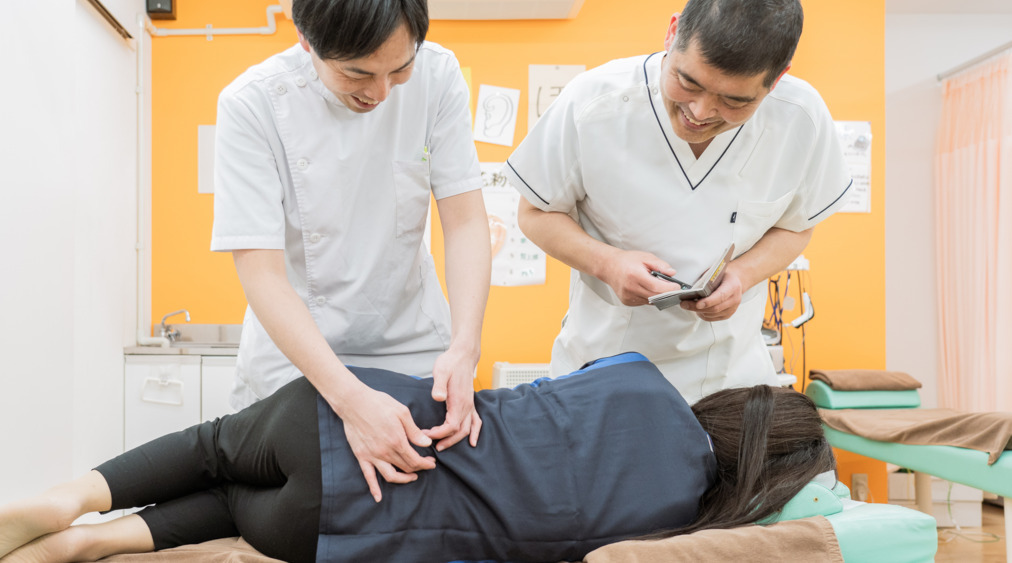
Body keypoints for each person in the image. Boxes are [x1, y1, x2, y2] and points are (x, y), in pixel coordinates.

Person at [0, 354, 834, 563]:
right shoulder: (670, 526)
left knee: (212, 445)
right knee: (230, 503)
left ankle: (74, 498)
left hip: (354, 408)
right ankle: (97, 544)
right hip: (333, 526)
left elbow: (567, 385)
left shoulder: (642, 378)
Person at [210, 0, 491, 501]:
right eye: (356, 73)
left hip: (410, 340)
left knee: (420, 501)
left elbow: (464, 222)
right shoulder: (252, 104)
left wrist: (465, 347)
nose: (380, 92)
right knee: (290, 502)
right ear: (306, 41)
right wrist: (349, 398)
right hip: (297, 355)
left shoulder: (439, 75)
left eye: (399, 69)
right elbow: (261, 271)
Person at [505, 0, 852, 403]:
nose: (701, 111)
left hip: (731, 382)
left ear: (776, 80)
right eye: (688, 82)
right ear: (672, 33)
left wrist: (742, 275)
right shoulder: (594, 103)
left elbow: (797, 225)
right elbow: (535, 211)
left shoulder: (800, 118)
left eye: (735, 101)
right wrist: (608, 264)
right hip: (602, 376)